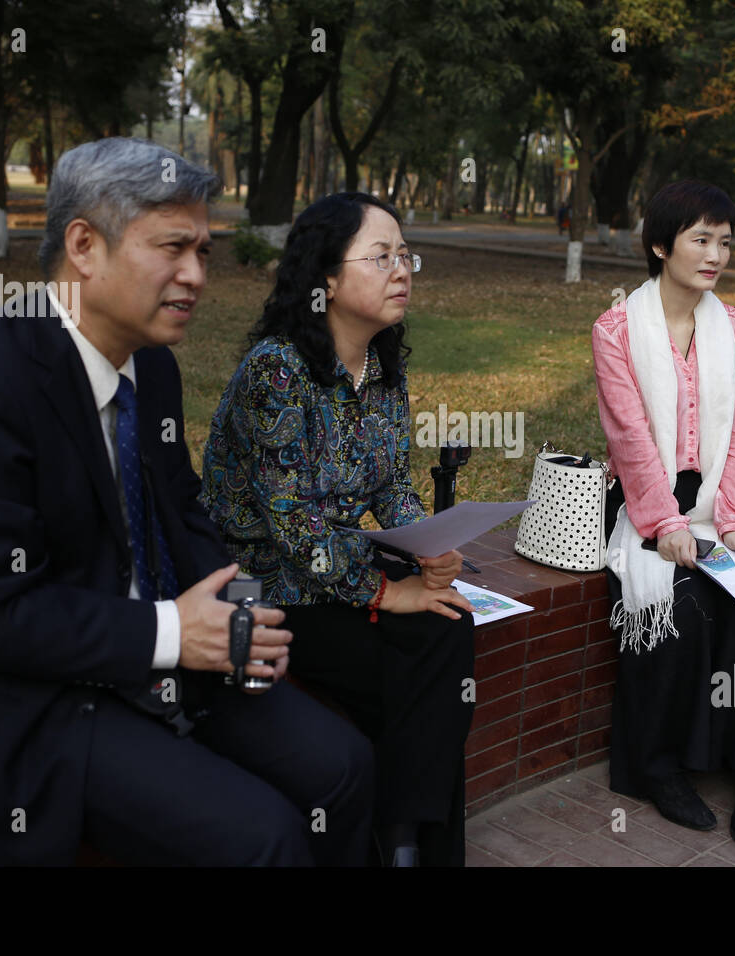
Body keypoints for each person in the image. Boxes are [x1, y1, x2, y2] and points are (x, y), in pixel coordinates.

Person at [0, 138, 374, 866]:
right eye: (173, 248)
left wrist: (237, 613)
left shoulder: (149, 367)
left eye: (206, 252)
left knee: (344, 769)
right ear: (84, 247)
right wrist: (170, 634)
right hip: (24, 700)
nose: (196, 276)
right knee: (261, 840)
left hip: (157, 659)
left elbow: (182, 511)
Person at [202, 192, 476, 867]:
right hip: (261, 585)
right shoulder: (276, 372)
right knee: (422, 665)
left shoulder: (383, 367)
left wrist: (429, 543)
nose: (402, 270)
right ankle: (415, 844)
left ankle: (405, 841)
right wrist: (386, 594)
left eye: (406, 255)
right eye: (381, 257)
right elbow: (292, 524)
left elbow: (389, 484)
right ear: (326, 277)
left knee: (447, 627)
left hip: (334, 569)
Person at [591, 180, 735, 848]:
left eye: (725, 241)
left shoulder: (734, 328)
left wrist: (729, 519)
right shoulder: (616, 330)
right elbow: (630, 440)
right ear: (660, 245)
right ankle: (659, 768)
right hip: (648, 506)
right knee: (678, 608)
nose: (716, 255)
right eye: (701, 239)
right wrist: (666, 523)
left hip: (713, 507)